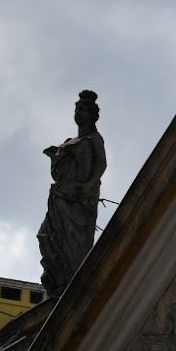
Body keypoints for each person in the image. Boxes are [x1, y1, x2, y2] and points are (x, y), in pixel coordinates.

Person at [38, 89, 107, 294]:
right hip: (60, 196)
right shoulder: (68, 141)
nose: (79, 113)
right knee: (45, 235)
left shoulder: (94, 138)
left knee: (74, 240)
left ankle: (72, 280)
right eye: (77, 109)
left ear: (93, 115)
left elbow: (101, 164)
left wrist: (88, 186)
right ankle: (57, 276)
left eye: (83, 110)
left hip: (79, 198)